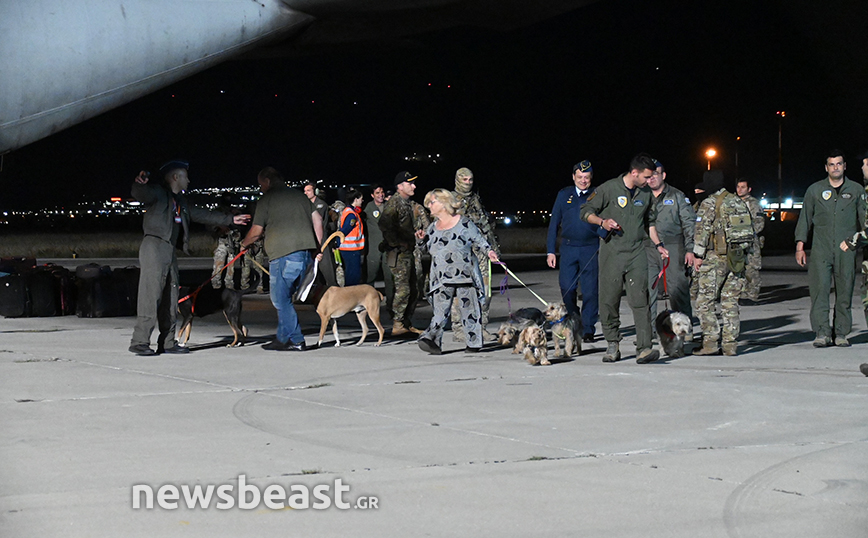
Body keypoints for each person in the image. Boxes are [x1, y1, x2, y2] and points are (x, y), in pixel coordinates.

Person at [128, 160, 250, 356]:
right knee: (150, 295)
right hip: (154, 246)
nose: (189, 180)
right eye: (185, 176)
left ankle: (168, 342)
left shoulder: (180, 201)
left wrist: (230, 220)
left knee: (171, 296)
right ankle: (140, 341)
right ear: (175, 177)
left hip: (169, 249)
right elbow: (141, 194)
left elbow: (201, 214)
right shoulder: (158, 193)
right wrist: (139, 184)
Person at [580, 153, 669, 364]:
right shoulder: (609, 189)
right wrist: (602, 222)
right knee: (609, 300)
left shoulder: (645, 194)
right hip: (612, 253)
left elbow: (650, 223)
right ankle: (613, 343)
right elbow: (585, 211)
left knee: (641, 300)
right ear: (634, 173)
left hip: (636, 252)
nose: (649, 181)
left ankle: (644, 348)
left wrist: (659, 245)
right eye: (646, 177)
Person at [240, 167, 323, 351]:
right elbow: (317, 220)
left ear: (267, 181)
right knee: (285, 298)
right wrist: (317, 248)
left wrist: (244, 244)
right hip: (305, 255)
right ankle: (282, 338)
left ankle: (296, 340)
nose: (261, 188)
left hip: (283, 257)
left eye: (261, 184)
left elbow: (256, 231)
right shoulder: (300, 196)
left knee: (280, 300)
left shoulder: (267, 199)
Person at [795, 149, 867, 347]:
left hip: (846, 250)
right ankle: (822, 332)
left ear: (845, 166)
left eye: (839, 164)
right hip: (821, 249)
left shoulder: (856, 190)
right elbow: (805, 219)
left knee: (845, 292)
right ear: (826, 168)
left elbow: (865, 221)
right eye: (832, 164)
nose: (836, 168)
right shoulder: (815, 190)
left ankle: (841, 333)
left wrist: (860, 242)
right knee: (819, 292)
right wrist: (800, 246)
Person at [416, 189, 499, 354]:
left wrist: (489, 252)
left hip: (465, 276)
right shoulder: (432, 228)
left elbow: (479, 240)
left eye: (432, 202)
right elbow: (425, 249)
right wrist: (420, 240)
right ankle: (432, 340)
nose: (429, 206)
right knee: (440, 312)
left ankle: (474, 344)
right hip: (441, 278)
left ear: (444, 203)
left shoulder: (464, 223)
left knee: (470, 311)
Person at [692, 169, 754, 356]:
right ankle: (730, 345)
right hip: (737, 258)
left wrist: (697, 256)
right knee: (730, 302)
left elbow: (701, 232)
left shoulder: (709, 203)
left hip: (715, 258)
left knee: (704, 302)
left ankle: (710, 342)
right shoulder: (738, 201)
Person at [546, 160, 606, 343]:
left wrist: (604, 239)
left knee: (590, 292)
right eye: (580, 177)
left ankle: (588, 329)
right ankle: (574, 317)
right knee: (567, 288)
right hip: (569, 248)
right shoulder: (564, 195)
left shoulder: (598, 194)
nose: (583, 180)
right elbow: (554, 223)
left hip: (590, 248)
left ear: (591, 178)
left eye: (586, 177)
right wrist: (550, 251)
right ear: (573, 177)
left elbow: (605, 221)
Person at [644, 159, 696, 332]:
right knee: (647, 291)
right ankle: (648, 332)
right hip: (648, 248)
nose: (651, 179)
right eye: (648, 176)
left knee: (677, 289)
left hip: (673, 246)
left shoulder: (676, 196)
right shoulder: (641, 196)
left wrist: (690, 249)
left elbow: (689, 223)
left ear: (664, 175)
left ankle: (685, 329)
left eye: (655, 175)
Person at [451, 167, 500, 343]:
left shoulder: (475, 199)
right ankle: (459, 329)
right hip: (461, 254)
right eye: (465, 180)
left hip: (481, 252)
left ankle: (481, 326)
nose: (468, 183)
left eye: (470, 180)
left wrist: (493, 248)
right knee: (461, 292)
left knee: (485, 291)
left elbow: (485, 224)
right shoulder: (450, 200)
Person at [379, 171, 426, 335]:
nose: (414, 186)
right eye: (410, 183)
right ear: (400, 186)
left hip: (408, 252)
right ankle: (397, 323)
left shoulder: (408, 204)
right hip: (398, 254)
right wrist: (397, 243)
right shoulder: (394, 203)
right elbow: (384, 225)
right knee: (403, 289)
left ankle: (406, 322)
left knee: (414, 289)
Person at [363, 184, 393, 309]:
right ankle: (369, 301)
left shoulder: (389, 206)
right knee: (371, 275)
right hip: (374, 246)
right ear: (372, 195)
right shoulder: (368, 208)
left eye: (382, 192)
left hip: (388, 246)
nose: (381, 195)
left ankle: (391, 302)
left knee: (389, 275)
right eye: (377, 193)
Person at [736, 178, 765, 302]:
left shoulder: (753, 204)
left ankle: (752, 296)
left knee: (752, 268)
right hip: (737, 242)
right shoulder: (734, 202)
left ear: (749, 189)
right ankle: (743, 294)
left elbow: (759, 223)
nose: (740, 190)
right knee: (740, 269)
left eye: (743, 187)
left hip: (751, 241)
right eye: (738, 187)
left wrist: (746, 234)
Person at [338, 189, 365, 286]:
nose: (362, 201)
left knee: (351, 273)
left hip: (349, 249)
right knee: (353, 275)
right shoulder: (352, 215)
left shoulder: (348, 211)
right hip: (351, 249)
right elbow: (345, 230)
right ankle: (351, 293)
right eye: (361, 199)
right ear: (356, 199)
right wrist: (337, 242)